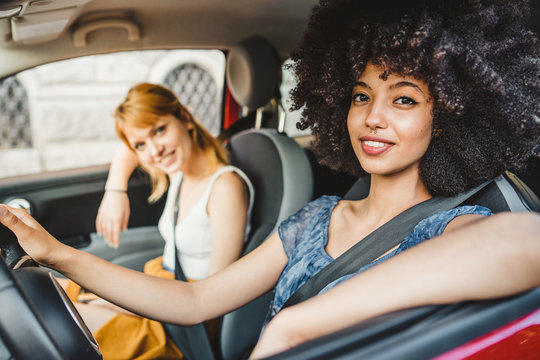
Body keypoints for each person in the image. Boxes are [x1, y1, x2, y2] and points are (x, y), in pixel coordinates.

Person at [1, 0, 539, 359]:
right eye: (359, 96)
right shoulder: (317, 219)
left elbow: (525, 240)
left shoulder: (449, 227)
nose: (372, 117)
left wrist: (294, 328)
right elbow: (194, 302)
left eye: (403, 98)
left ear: (445, 117)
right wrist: (57, 254)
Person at [66, 82, 255, 359]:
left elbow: (214, 297)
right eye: (142, 144)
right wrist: (115, 190)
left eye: (160, 130)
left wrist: (124, 303)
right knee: (54, 287)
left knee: (60, 322)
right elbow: (127, 145)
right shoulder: (179, 171)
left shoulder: (225, 186)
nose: (154, 152)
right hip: (160, 292)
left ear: (185, 118)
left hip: (182, 322)